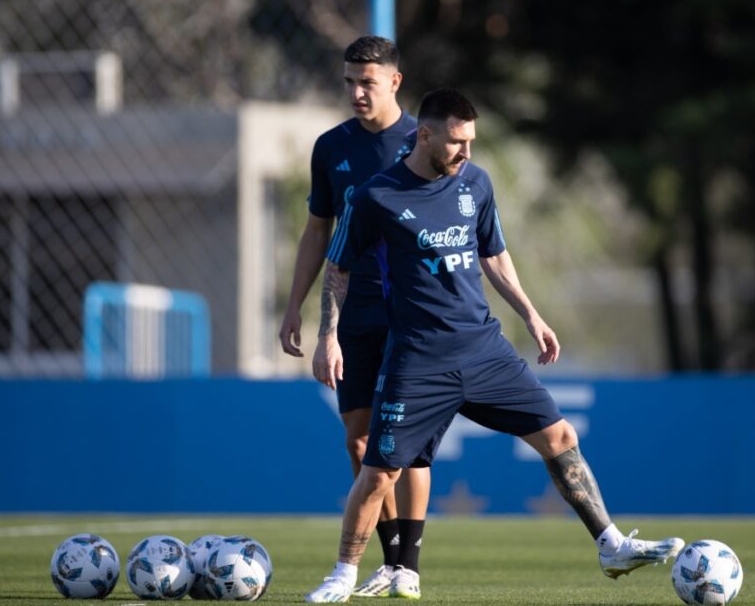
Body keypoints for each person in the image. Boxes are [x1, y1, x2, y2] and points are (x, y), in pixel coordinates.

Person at [305, 88, 684, 603]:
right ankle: (343, 576)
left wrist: (531, 314)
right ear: (426, 134)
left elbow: (494, 254)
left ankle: (611, 544)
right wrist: (328, 335)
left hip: (486, 351)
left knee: (560, 437)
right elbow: (339, 266)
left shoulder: (475, 185)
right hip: (418, 359)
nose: (467, 153)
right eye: (457, 142)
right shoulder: (375, 196)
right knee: (379, 473)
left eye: (472, 142)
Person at [278, 35, 430, 599]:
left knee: (405, 445)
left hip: (412, 314)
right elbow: (319, 229)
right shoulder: (331, 147)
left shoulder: (425, 140)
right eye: (349, 81)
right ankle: (389, 561)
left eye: (367, 81)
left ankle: (406, 564)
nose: (356, 92)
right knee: (361, 446)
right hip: (354, 312)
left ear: (394, 81)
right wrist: (299, 308)